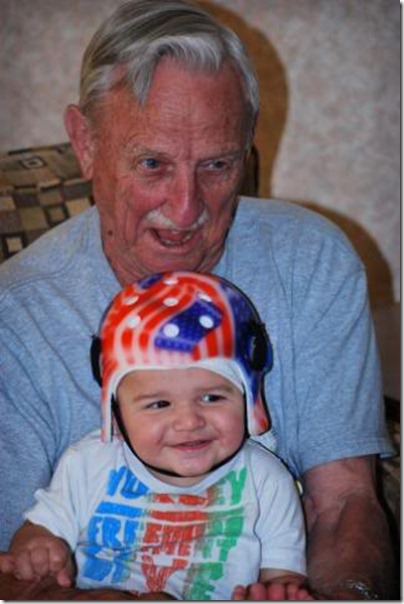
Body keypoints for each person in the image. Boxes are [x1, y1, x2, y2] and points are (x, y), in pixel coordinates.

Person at [0, 0, 396, 599]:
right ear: (86, 143)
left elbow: (342, 504)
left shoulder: (313, 262)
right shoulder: (16, 316)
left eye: (216, 165)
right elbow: (13, 565)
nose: (186, 209)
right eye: (152, 164)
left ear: (247, 147)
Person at [0, 272, 313, 601]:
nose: (189, 421)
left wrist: (277, 593)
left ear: (248, 397)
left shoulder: (267, 480)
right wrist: (36, 549)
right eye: (159, 404)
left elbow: (284, 577)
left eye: (212, 398)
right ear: (116, 411)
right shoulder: (86, 464)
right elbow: (36, 533)